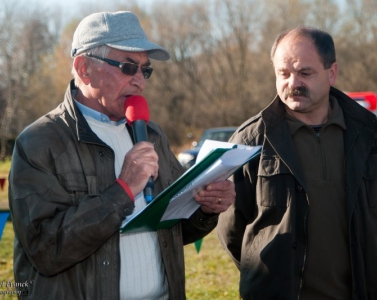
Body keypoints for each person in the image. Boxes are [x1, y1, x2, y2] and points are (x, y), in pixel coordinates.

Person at [8, 11, 235, 300]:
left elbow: (175, 231)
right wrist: (123, 190)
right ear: (84, 68)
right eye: (128, 67)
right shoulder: (39, 142)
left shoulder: (152, 135)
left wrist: (206, 207)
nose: (140, 81)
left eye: (146, 70)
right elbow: (45, 249)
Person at [216, 27, 377, 299]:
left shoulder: (367, 135)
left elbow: (374, 223)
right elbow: (231, 230)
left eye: (305, 73)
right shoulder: (250, 140)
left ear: (332, 73)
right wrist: (267, 278)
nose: (292, 82)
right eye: (283, 73)